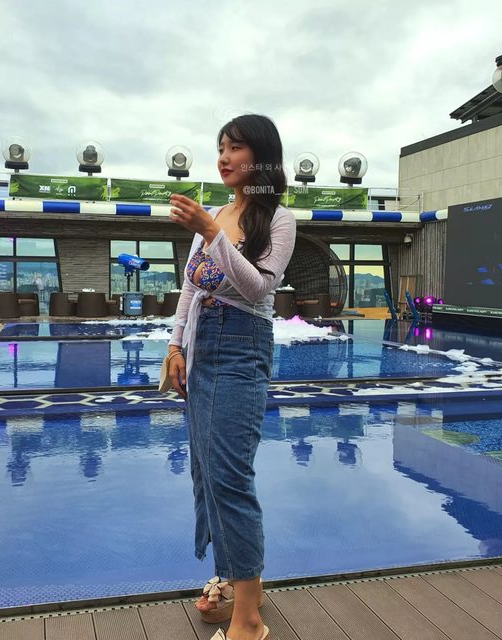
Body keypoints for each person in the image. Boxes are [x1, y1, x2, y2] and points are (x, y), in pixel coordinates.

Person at [167, 114, 296, 640]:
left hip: (242, 346)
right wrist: (175, 345)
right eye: (220, 146)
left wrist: (211, 232)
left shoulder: (279, 220)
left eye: (235, 147)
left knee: (230, 476)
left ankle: (249, 620)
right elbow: (192, 286)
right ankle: (234, 580)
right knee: (205, 471)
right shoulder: (219, 213)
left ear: (260, 156)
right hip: (202, 346)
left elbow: (257, 288)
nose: (223, 157)